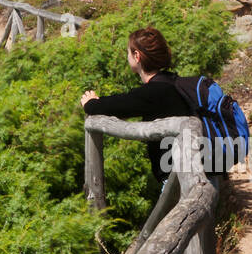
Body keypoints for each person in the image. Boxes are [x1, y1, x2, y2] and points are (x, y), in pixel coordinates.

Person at [79, 26, 194, 186]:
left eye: (128, 52)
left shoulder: (153, 92)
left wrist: (90, 102)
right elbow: (124, 103)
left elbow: (112, 105)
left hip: (177, 182)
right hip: (193, 171)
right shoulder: (172, 82)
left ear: (136, 56)